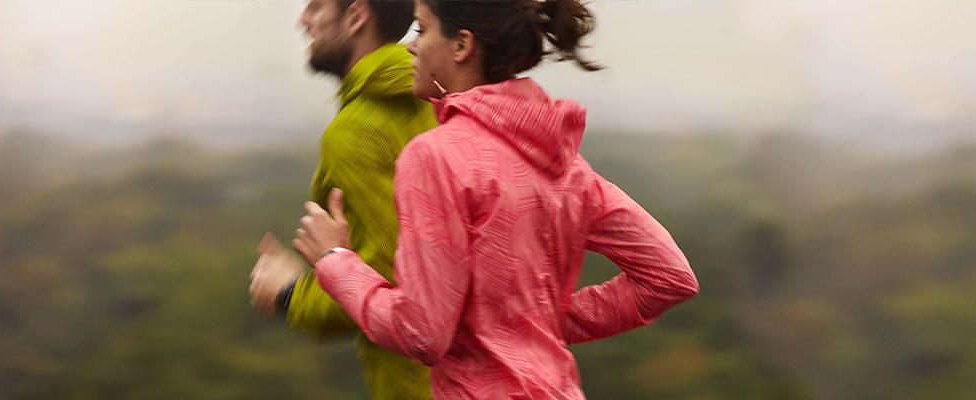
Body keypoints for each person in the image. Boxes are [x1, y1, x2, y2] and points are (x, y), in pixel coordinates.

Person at [291, 0, 701, 398]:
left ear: (462, 45)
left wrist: (335, 260)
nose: (411, 46)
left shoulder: (435, 155)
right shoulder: (563, 162)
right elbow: (668, 277)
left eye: (422, 30)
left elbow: (422, 333)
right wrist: (534, 324)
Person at [247, 1, 434, 398]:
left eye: (316, 7)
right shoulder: (440, 96)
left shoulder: (356, 131)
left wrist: (289, 291)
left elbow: (392, 293)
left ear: (356, 16)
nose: (303, 20)